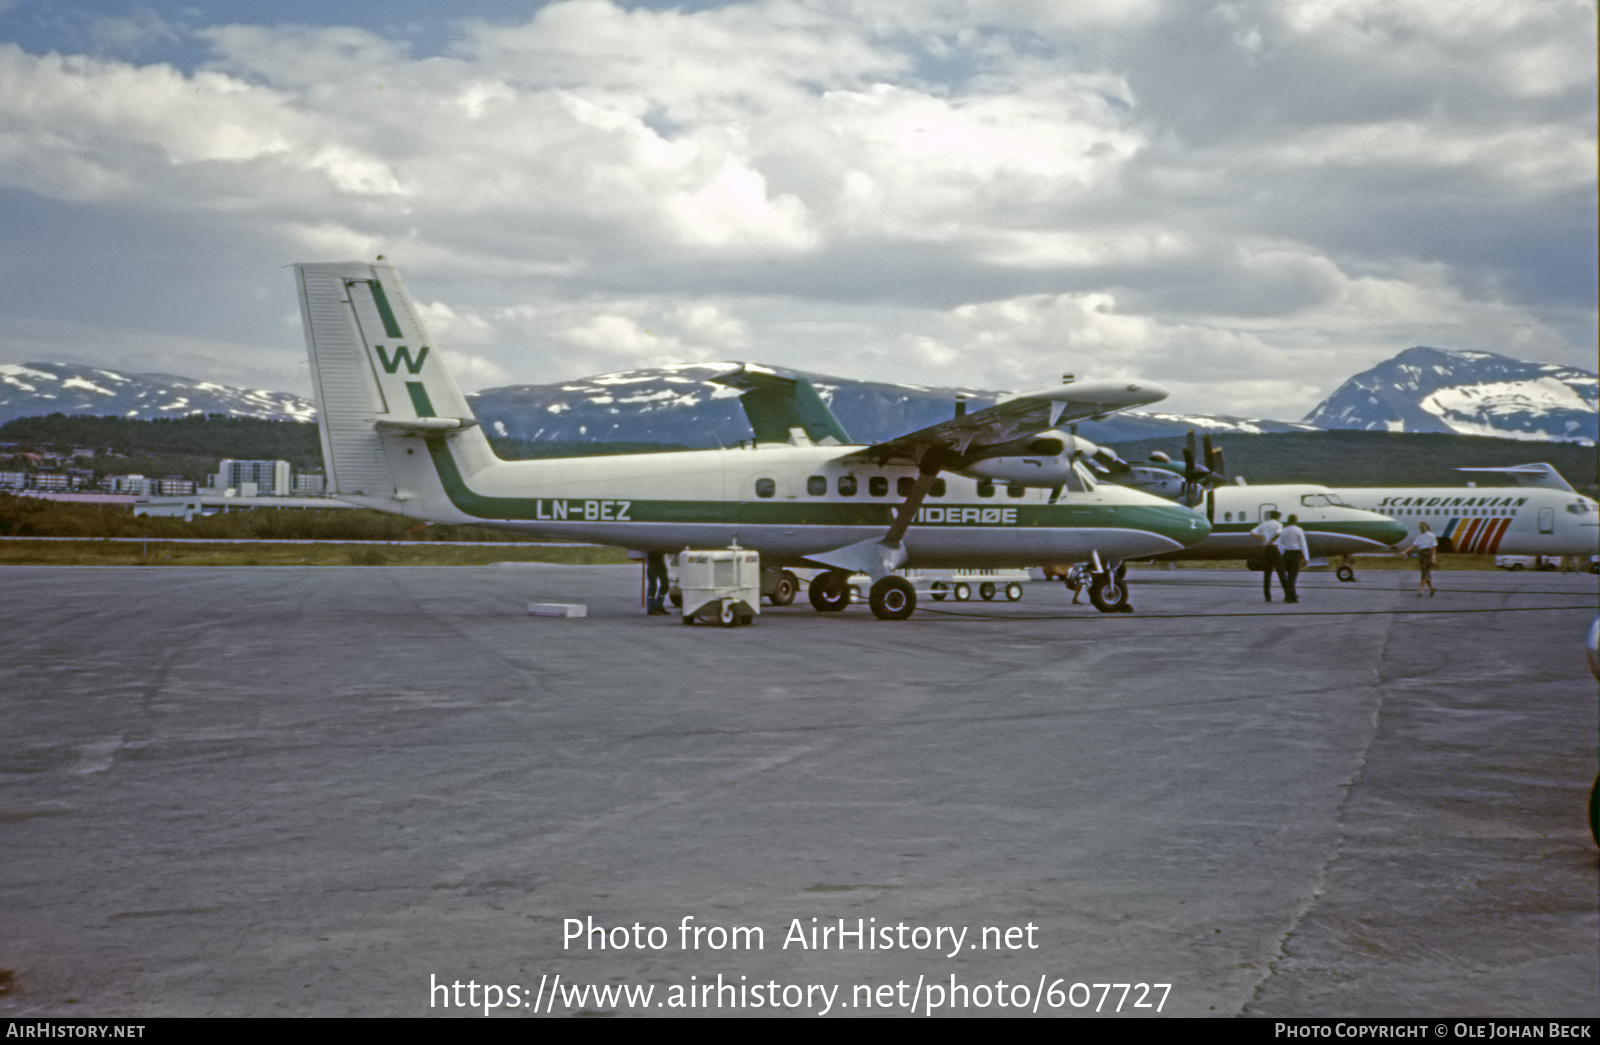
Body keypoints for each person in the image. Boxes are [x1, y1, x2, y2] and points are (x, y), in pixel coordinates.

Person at [1251, 510, 1287, 602]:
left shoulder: (1264, 524)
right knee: (1281, 572)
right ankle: (1288, 594)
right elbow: (1279, 533)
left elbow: (1252, 533)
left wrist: (1262, 539)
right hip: (1275, 549)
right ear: (1278, 517)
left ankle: (1267, 597)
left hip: (1266, 550)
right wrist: (1272, 540)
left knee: (1267, 574)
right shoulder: (1278, 524)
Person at [1399, 521, 1438, 597]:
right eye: (1420, 527)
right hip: (1422, 554)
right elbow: (1413, 545)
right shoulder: (1420, 537)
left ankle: (1421, 590)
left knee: (1424, 571)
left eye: (1423, 527)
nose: (1422, 528)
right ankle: (1431, 588)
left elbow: (1434, 547)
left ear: (1426, 527)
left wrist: (1433, 557)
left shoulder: (1431, 536)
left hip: (1428, 554)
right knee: (1424, 571)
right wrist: (1405, 551)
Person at [1278, 514, 1309, 604]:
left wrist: (1283, 552)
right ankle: (1289, 597)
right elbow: (1303, 544)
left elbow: (1280, 544)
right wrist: (1306, 557)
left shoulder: (1283, 531)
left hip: (1286, 553)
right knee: (1293, 576)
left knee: (1290, 576)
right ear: (1295, 521)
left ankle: (1293, 596)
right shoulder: (1299, 530)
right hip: (1296, 554)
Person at [645, 550, 671, 615]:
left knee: (665, 585)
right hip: (652, 561)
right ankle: (651, 608)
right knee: (653, 585)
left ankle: (659, 605)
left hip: (660, 560)